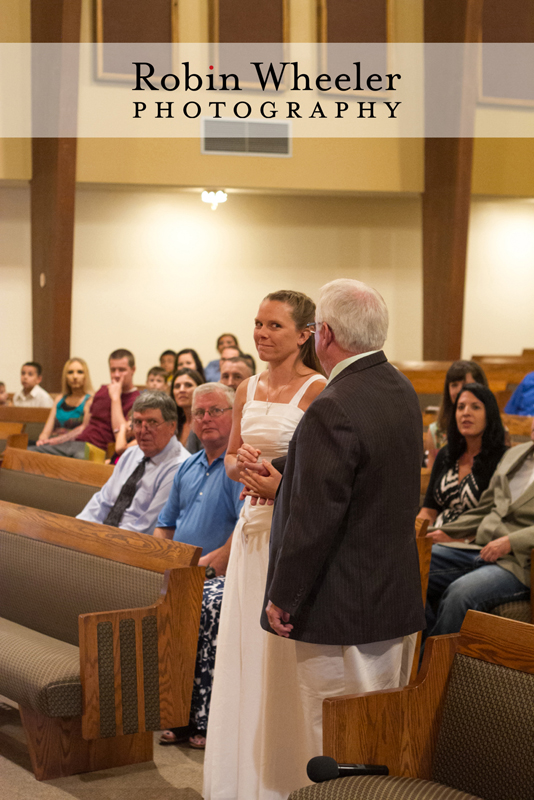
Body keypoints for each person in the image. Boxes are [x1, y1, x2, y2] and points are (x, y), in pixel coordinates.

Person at [247, 279, 424, 799]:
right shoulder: (398, 388)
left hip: (339, 604)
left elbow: (315, 516)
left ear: (322, 334)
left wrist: (284, 594)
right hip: (390, 595)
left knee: (333, 742)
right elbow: (367, 469)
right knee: (378, 734)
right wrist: (286, 463)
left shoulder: (335, 403)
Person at [204, 290, 326, 800]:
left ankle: (281, 777)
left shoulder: (318, 389)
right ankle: (240, 776)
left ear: (304, 334)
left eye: (274, 325)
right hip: (251, 525)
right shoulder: (247, 387)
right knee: (244, 650)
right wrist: (245, 464)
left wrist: (276, 475)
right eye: (257, 323)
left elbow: (321, 468)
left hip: (290, 524)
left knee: (279, 657)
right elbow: (229, 459)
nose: (261, 333)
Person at [154, 383, 243, 749]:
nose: (206, 419)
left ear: (235, 416)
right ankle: (166, 710)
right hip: (182, 570)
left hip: (221, 575)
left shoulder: (239, 468)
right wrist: (158, 563)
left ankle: (201, 718)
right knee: (145, 591)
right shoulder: (187, 467)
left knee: (204, 604)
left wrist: (205, 567)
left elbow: (242, 530)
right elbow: (164, 524)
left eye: (216, 411)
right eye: (199, 413)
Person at [424, 416, 534, 638]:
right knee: (409, 563)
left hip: (519, 562)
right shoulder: (515, 454)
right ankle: (421, 655)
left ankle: (433, 670)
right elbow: (485, 508)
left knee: (459, 594)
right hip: (480, 548)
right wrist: (447, 531)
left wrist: (511, 542)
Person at [77, 391, 189, 533]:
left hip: (132, 545)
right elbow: (103, 501)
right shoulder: (131, 453)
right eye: (137, 422)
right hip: (103, 536)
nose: (143, 431)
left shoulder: (180, 466)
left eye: (152, 422)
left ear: (172, 426)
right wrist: (77, 529)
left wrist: (100, 538)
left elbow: (147, 527)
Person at [418, 384, 507, 528]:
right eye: (460, 407)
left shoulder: (503, 458)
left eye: (475, 407)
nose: (466, 413)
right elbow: (429, 510)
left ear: (489, 414)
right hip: (436, 536)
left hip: (476, 543)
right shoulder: (446, 454)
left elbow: (499, 517)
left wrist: (455, 538)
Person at [32, 349, 140, 458]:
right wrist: (56, 440)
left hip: (99, 449)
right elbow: (84, 426)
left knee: (78, 458)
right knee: (31, 452)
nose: (116, 375)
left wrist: (115, 398)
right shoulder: (102, 390)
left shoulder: (137, 400)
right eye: (113, 370)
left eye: (122, 370)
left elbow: (121, 435)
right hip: (78, 443)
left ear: (133, 370)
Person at [425, 360, 488, 468]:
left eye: (466, 385)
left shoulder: (497, 430)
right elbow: (431, 475)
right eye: (454, 385)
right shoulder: (436, 432)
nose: (460, 390)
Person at [35, 358, 93, 446]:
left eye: (80, 372)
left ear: (86, 376)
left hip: (75, 445)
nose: (75, 376)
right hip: (52, 444)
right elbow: (47, 430)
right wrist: (42, 440)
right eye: (70, 372)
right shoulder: (59, 399)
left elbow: (84, 429)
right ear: (65, 376)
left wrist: (56, 441)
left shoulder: (90, 400)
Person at [170, 368, 205, 454]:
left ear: (200, 388)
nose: (181, 390)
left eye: (188, 385)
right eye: (177, 386)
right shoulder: (174, 423)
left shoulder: (206, 423)